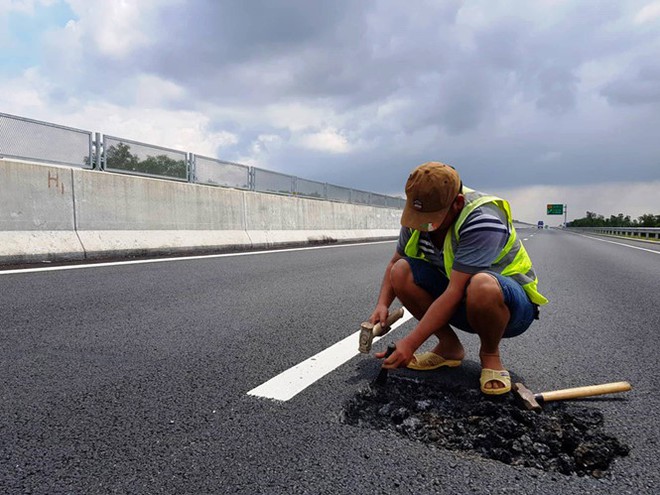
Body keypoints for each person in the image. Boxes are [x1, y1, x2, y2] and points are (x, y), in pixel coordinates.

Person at [370, 162, 548, 395]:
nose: (425, 226)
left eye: (432, 219)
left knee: (482, 284)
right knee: (401, 271)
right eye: (419, 217)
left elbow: (455, 291)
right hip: (461, 299)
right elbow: (395, 262)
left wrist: (411, 344)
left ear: (457, 204)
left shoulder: (483, 220)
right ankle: (449, 347)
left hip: (508, 307)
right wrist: (382, 305)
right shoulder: (418, 216)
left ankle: (490, 355)